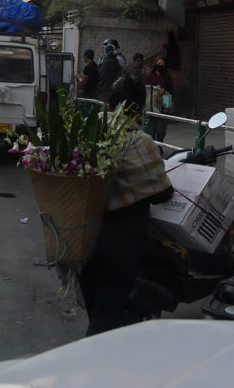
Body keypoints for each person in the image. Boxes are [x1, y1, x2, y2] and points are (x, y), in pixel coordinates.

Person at [78, 72, 174, 337]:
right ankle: (93, 371)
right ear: (141, 109)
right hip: (119, 242)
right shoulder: (140, 140)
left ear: (109, 105)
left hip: (83, 234)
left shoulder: (90, 127)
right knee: (106, 317)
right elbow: (163, 192)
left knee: (96, 307)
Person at [143, 57, 174, 142]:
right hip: (152, 107)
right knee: (152, 131)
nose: (159, 65)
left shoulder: (167, 77)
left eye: (162, 64)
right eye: (158, 63)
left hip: (163, 108)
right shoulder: (150, 76)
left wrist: (165, 91)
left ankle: (159, 144)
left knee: (161, 131)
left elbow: (171, 91)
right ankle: (153, 147)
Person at [78, 49, 99, 114]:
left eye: (84, 56)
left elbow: (84, 82)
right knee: (95, 114)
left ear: (86, 56)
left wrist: (79, 78)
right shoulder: (97, 66)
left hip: (89, 94)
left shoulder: (87, 68)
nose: (84, 58)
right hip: (96, 93)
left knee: (86, 114)